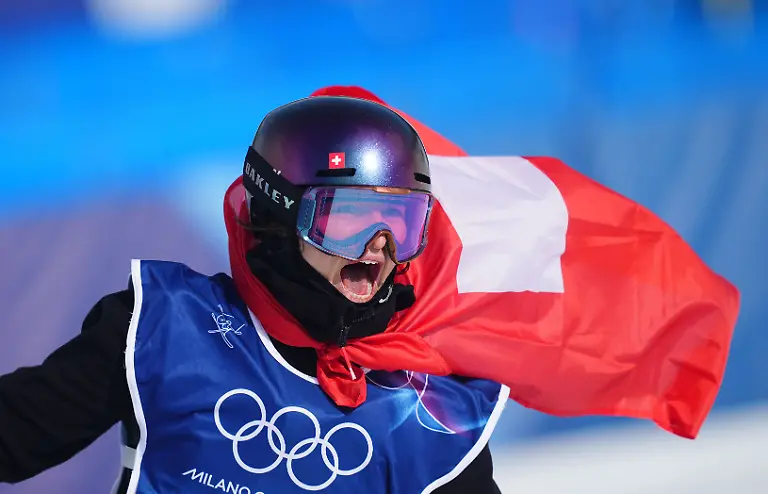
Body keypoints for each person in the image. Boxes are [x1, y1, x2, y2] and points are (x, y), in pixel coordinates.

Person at [0, 92, 506, 493]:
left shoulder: (427, 409)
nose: (379, 247)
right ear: (280, 217)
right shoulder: (168, 329)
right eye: (348, 218)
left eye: (401, 220)